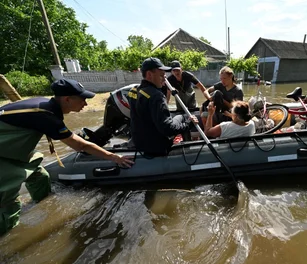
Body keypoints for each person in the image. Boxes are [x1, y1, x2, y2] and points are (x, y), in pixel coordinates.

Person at [0, 78, 134, 236]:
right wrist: (114, 157)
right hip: (4, 155)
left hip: (13, 148)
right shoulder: (47, 115)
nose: (85, 104)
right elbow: (80, 145)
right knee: (8, 204)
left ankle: (43, 208)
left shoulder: (46, 107)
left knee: (40, 177)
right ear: (67, 99)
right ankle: (9, 241)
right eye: (82, 99)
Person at [128, 57, 198, 156]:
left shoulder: (133, 91)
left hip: (140, 142)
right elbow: (168, 130)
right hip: (157, 147)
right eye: (161, 75)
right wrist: (189, 124)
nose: (165, 79)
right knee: (183, 117)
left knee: (176, 117)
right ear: (149, 74)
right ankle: (189, 149)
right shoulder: (157, 96)